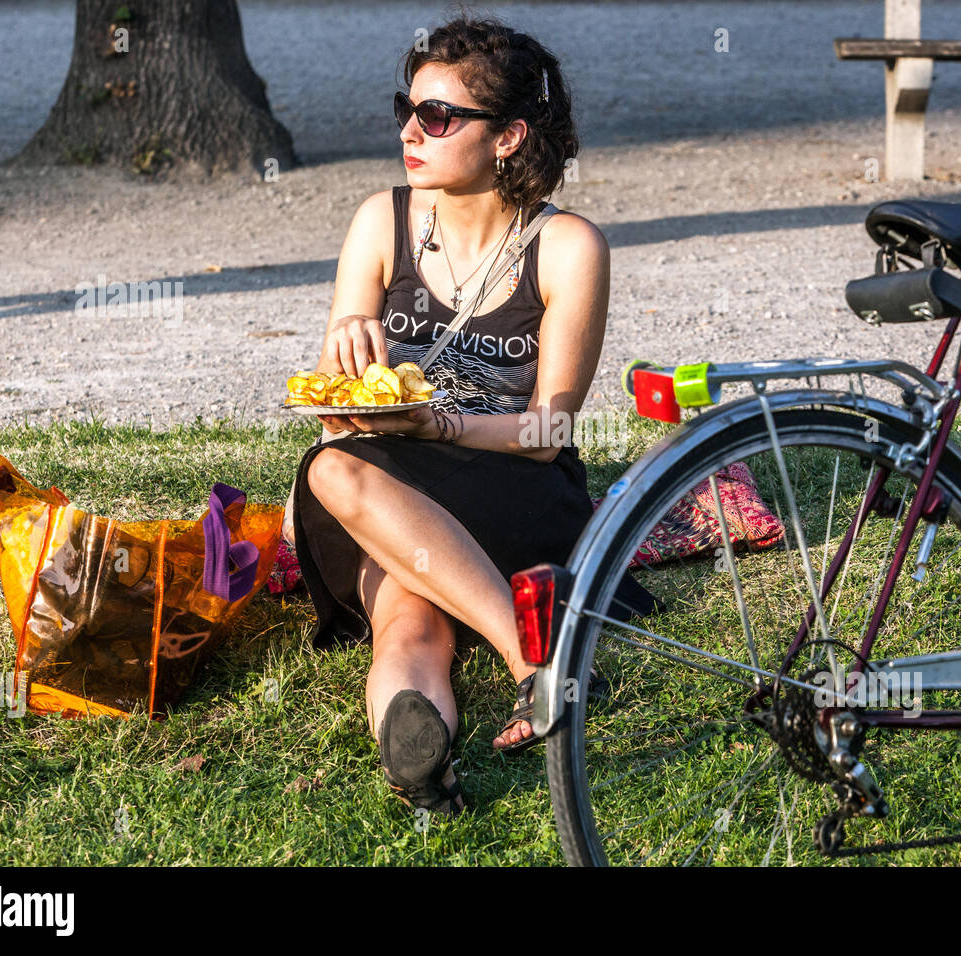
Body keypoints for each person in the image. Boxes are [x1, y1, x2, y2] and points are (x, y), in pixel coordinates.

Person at [290, 14, 658, 817]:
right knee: (405, 610)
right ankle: (426, 759)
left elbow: (548, 431)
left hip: (511, 485)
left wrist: (438, 426)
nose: (411, 133)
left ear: (507, 136)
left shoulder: (566, 248)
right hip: (387, 481)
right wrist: (352, 362)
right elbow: (332, 414)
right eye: (408, 109)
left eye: (438, 116)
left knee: (337, 482)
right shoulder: (377, 221)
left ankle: (528, 658)